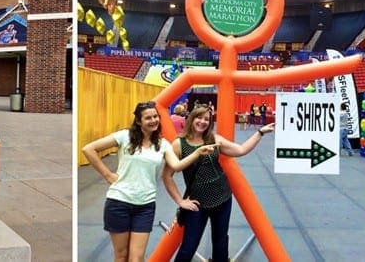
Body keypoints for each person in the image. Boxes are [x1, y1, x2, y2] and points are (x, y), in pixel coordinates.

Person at [82, 101, 213, 262]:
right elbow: (89, 149)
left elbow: (177, 166)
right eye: (148, 118)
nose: (153, 120)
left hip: (145, 206)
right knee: (121, 255)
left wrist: (197, 153)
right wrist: (108, 175)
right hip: (119, 203)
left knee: (136, 258)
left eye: (155, 116)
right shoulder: (125, 136)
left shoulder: (162, 144)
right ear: (139, 121)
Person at [162, 105, 275, 262]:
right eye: (199, 118)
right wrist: (180, 201)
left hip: (222, 198)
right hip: (197, 203)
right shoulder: (179, 144)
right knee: (188, 247)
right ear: (191, 119)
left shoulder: (215, 140)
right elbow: (167, 176)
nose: (202, 122)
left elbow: (241, 150)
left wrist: (260, 132)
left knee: (220, 244)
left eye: (206, 119)